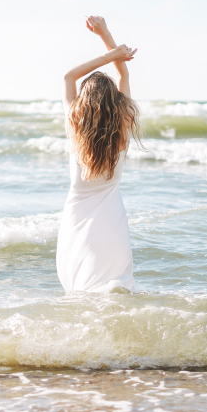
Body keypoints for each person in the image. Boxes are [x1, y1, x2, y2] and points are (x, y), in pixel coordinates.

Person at [56, 16, 143, 293]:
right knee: (116, 288)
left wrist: (109, 54)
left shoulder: (75, 126)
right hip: (112, 223)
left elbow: (69, 76)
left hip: (77, 222)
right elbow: (124, 76)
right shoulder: (124, 122)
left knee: (81, 290)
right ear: (117, 103)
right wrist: (106, 35)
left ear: (83, 104)